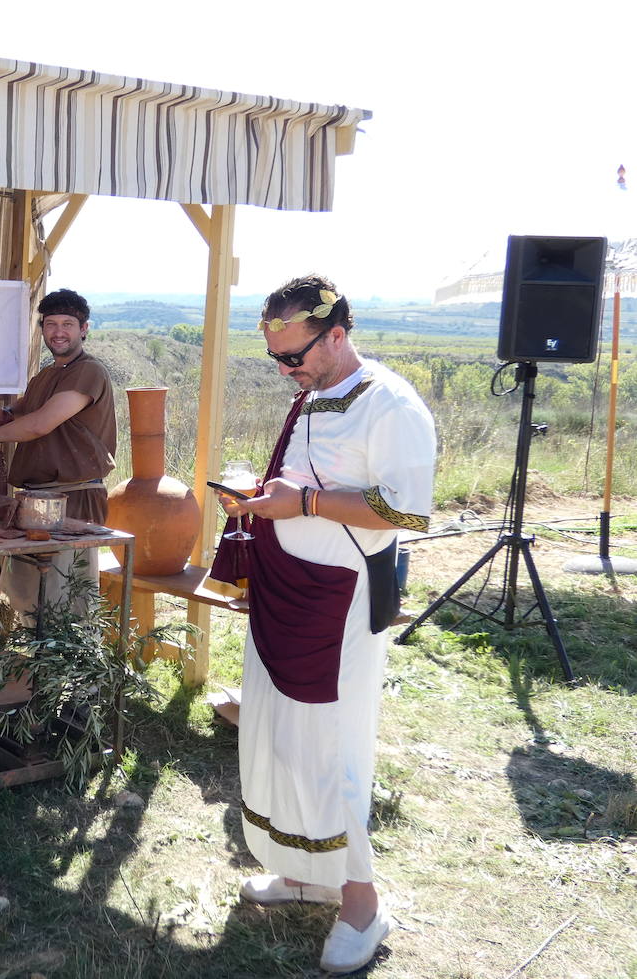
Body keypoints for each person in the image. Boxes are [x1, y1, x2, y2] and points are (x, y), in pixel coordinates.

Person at [210, 275, 435, 975]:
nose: (286, 370)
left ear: (336, 334)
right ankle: (304, 870)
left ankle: (362, 904)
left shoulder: (390, 404)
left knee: (333, 749)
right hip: (286, 588)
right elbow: (302, 483)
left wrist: (302, 503)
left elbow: (404, 511)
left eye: (294, 356)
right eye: (275, 358)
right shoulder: (312, 394)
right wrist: (263, 500)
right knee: (279, 733)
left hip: (338, 604)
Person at [0, 288, 116, 616]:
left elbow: (41, 423)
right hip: (34, 501)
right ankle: (38, 650)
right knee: (30, 600)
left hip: (73, 497)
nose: (58, 332)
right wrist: (8, 413)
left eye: (67, 324)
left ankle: (71, 652)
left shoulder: (89, 371)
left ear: (84, 329)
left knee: (67, 603)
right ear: (42, 329)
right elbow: (29, 408)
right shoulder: (47, 374)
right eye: (51, 324)